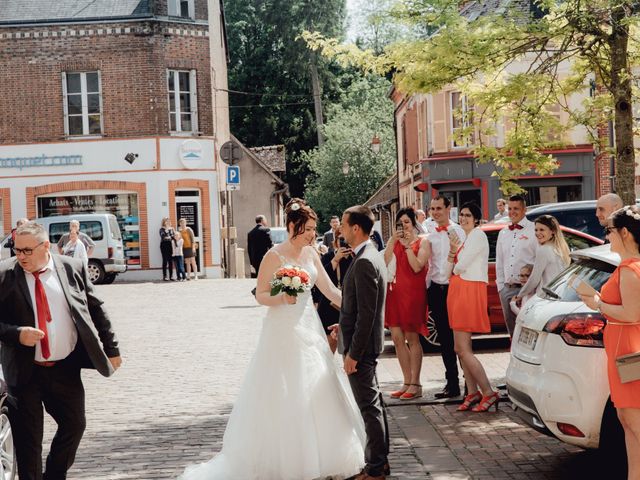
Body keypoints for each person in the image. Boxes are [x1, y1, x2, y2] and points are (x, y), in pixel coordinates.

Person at [179, 198, 366, 480]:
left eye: (315, 229)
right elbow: (261, 295)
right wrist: (282, 297)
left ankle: (324, 457)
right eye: (308, 229)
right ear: (293, 226)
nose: (312, 234)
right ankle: (288, 460)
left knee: (318, 387)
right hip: (282, 330)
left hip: (309, 328)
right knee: (285, 392)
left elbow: (329, 290)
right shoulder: (274, 256)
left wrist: (357, 310)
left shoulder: (313, 254)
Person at [0, 221, 121, 480]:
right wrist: (16, 333)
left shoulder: (71, 268)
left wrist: (111, 347)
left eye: (27, 251)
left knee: (75, 425)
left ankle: (54, 474)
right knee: (29, 443)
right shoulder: (4, 274)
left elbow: (96, 307)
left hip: (64, 368)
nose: (20, 256)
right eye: (16, 249)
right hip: (24, 372)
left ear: (46, 246)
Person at [578, 205, 640, 479]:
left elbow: (631, 314)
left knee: (634, 421)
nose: (607, 236)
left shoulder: (630, 269)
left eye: (610, 231)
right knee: (627, 421)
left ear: (625, 232)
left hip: (629, 351)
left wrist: (599, 303)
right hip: (621, 350)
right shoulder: (627, 267)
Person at [334, 205, 390, 480]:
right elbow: (358, 307)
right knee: (375, 403)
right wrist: (341, 324)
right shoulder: (368, 255)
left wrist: (353, 354)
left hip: (363, 348)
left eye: (344, 225)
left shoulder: (366, 260)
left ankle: (376, 467)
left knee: (369, 407)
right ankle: (381, 461)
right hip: (363, 342)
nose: (341, 230)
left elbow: (367, 314)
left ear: (356, 228)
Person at [446, 202, 499, 412]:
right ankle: (472, 391)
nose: (464, 218)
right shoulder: (466, 239)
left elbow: (459, 267)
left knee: (463, 349)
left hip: (468, 290)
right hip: (459, 290)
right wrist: (452, 254)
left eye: (468, 215)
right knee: (460, 348)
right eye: (461, 214)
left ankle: (487, 391)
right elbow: (446, 270)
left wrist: (454, 264)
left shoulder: (477, 235)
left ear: (476, 218)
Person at [384, 207, 431, 401]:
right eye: (400, 223)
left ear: (414, 223)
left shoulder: (423, 242)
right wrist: (393, 242)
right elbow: (385, 262)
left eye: (406, 222)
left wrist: (406, 246)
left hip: (413, 293)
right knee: (396, 337)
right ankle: (405, 381)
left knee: (412, 337)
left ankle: (416, 383)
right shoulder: (394, 240)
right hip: (394, 293)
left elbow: (417, 266)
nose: (403, 226)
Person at [426, 195, 465, 399]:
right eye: (433, 209)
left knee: (461, 339)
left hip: (454, 289)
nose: (435, 212)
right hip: (436, 289)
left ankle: (470, 385)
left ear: (448, 208)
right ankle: (452, 384)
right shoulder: (430, 233)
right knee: (444, 339)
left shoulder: (459, 232)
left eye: (439, 208)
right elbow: (429, 264)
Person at [495, 194, 538, 337]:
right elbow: (499, 262)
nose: (512, 212)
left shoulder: (534, 230)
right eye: (510, 208)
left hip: (528, 290)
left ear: (524, 210)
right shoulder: (503, 233)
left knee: (529, 332)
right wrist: (501, 287)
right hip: (507, 290)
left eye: (516, 208)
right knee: (512, 333)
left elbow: (539, 260)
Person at [512, 215, 570, 307]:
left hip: (546, 299)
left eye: (542, 230)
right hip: (561, 297)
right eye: (536, 230)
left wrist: (520, 295)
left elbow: (534, 278)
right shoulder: (561, 249)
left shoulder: (544, 250)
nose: (538, 233)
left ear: (553, 231)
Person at [317, 227, 353, 353]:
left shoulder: (355, 257)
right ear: (335, 241)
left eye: (346, 239)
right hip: (329, 305)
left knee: (348, 347)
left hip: (349, 305)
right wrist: (336, 259)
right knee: (328, 347)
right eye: (340, 239)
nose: (344, 242)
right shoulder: (328, 257)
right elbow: (321, 278)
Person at [246, 215, 272, 279]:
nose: (266, 221)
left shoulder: (250, 233)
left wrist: (251, 262)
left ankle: (258, 287)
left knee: (257, 275)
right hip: (264, 257)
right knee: (265, 275)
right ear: (262, 220)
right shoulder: (266, 230)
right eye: (265, 220)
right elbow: (270, 244)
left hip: (255, 259)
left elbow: (249, 248)